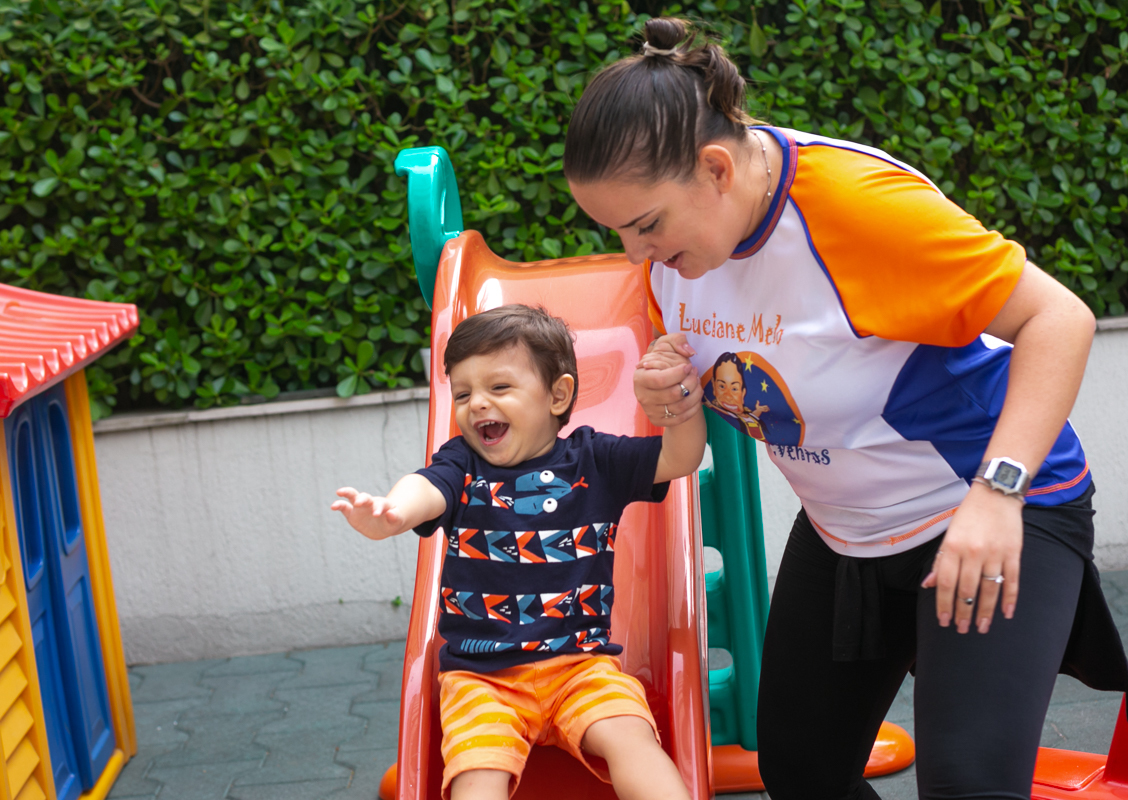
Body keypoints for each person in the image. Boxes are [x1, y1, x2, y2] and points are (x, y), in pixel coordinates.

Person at [564, 16, 1128, 800]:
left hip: (987, 504)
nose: (633, 255)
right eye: (614, 231)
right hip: (849, 529)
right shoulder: (675, 256)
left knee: (968, 783)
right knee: (800, 771)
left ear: (717, 168)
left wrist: (998, 492)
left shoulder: (858, 209)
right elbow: (731, 393)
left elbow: (1058, 318)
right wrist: (675, 395)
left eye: (645, 225)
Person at [332, 304, 705, 800]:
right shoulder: (462, 465)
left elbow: (679, 458)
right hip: (482, 678)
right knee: (476, 769)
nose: (477, 404)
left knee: (629, 735)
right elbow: (426, 488)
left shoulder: (596, 460)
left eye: (499, 388)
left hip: (581, 666)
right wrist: (393, 513)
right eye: (463, 394)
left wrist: (676, 409)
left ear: (558, 394)